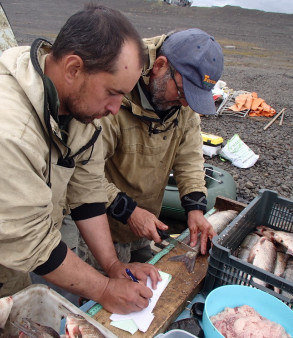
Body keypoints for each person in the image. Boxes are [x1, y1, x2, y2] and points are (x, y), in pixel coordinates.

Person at [0, 5, 161, 336]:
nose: (114, 110)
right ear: (73, 68)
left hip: (10, 257)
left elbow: (87, 193)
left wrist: (112, 268)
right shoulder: (2, 129)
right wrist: (103, 290)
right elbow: (28, 241)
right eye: (112, 93)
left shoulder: (79, 113)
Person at [77, 28, 224, 268]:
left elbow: (189, 159)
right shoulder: (113, 97)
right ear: (160, 65)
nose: (187, 104)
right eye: (183, 93)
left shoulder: (182, 106)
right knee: (105, 288)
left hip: (148, 219)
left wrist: (195, 208)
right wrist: (128, 211)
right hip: (104, 224)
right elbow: (82, 171)